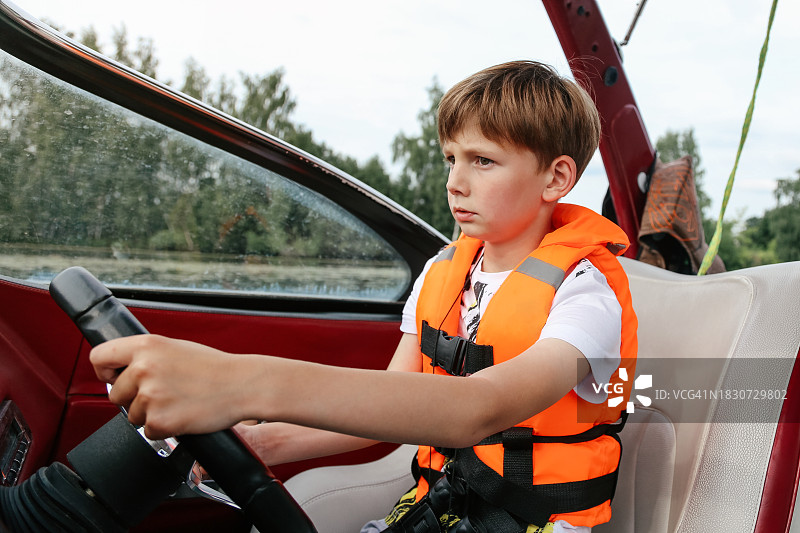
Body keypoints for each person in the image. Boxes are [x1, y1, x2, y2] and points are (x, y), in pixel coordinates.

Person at [91, 60, 637, 533]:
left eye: (483, 161)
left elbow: (479, 409)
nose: (455, 181)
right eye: (451, 158)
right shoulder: (443, 273)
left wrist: (240, 382)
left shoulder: (585, 297)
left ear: (556, 178)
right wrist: (265, 442)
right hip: (440, 508)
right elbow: (391, 402)